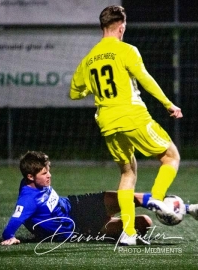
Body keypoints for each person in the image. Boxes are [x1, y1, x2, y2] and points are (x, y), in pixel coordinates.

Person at [69, 5, 185, 245]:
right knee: (170, 157)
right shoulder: (126, 50)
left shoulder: (89, 59)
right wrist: (168, 104)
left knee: (127, 172)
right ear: (121, 27)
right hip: (133, 116)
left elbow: (74, 92)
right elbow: (145, 79)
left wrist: (92, 88)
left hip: (107, 122)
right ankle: (157, 199)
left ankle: (129, 233)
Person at [0, 151, 198, 246]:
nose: (49, 176)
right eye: (44, 173)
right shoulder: (28, 198)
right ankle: (172, 208)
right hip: (77, 229)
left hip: (77, 205)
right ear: (29, 177)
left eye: (49, 171)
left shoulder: (33, 182)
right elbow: (12, 223)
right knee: (144, 223)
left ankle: (187, 208)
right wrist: (9, 237)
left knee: (127, 197)